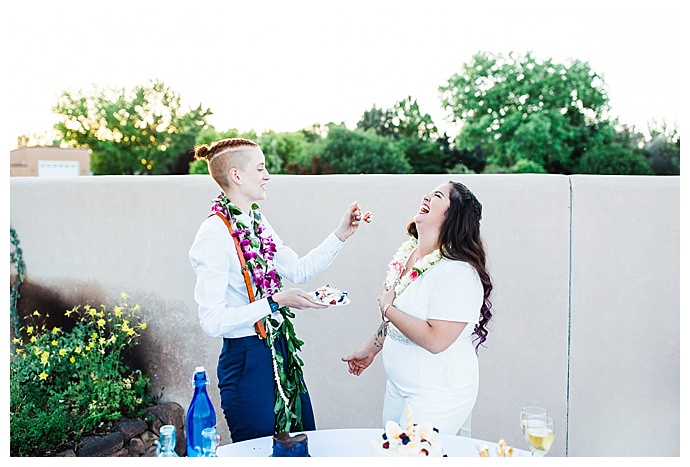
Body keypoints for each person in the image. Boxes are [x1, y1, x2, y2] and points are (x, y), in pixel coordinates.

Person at [189, 137, 363, 443]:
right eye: (260, 167)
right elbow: (212, 321)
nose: (267, 175)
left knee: (301, 443)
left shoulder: (257, 221)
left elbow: (297, 269)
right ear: (236, 175)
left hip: (281, 350)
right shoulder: (213, 235)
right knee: (258, 451)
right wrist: (275, 301)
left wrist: (341, 235)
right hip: (246, 361)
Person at [342, 181, 493, 437]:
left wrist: (387, 307)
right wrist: (370, 349)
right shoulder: (410, 254)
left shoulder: (458, 272)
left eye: (436, 196)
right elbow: (403, 318)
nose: (426, 197)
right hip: (398, 387)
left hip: (438, 393)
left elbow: (436, 340)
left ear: (452, 215)